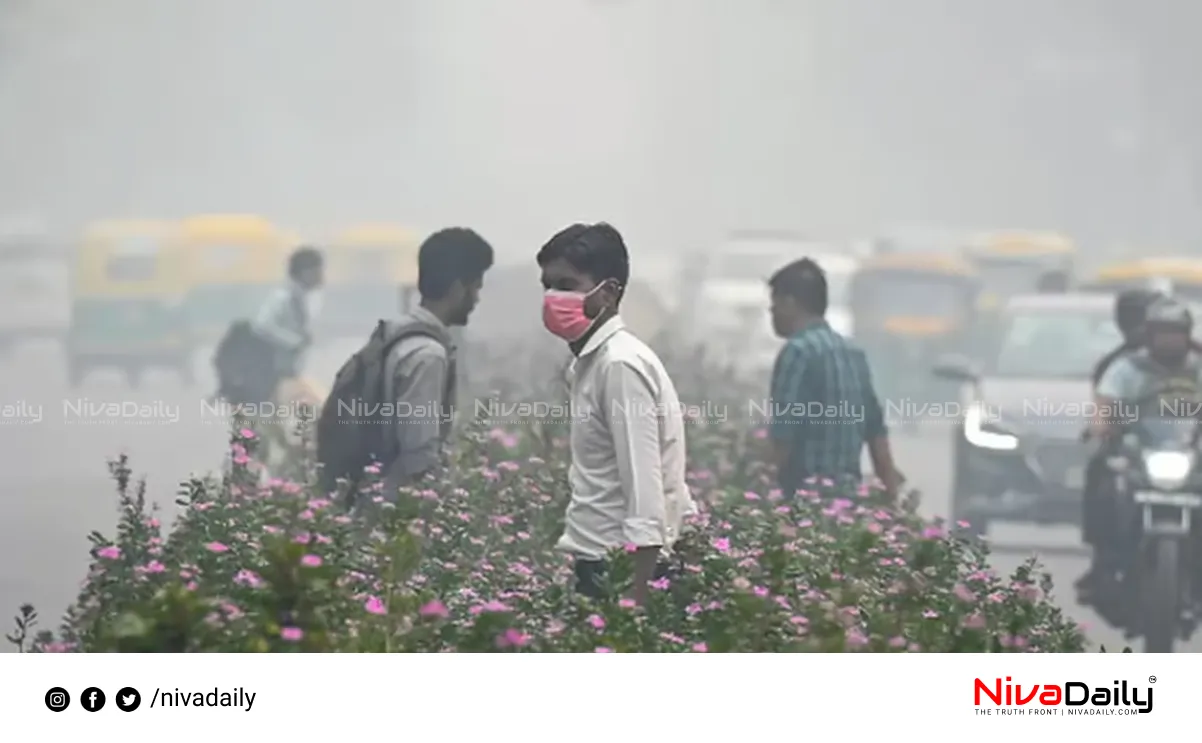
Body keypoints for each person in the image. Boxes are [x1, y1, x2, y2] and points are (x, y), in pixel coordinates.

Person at [538, 222, 695, 605]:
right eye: (548, 286)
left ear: (608, 293)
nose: (553, 298)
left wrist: (635, 605)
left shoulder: (620, 367)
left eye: (566, 285)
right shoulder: (593, 364)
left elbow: (645, 492)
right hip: (599, 562)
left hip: (617, 572)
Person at [315, 228, 494, 504]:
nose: (478, 298)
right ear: (459, 289)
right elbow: (419, 454)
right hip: (392, 510)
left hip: (363, 496)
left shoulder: (393, 336)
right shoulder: (428, 355)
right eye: (477, 287)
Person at [1081, 298, 1202, 599]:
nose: (1169, 339)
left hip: (1191, 451)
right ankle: (1105, 560)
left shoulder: (1198, 365)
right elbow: (1105, 401)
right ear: (1149, 334)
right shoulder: (1127, 367)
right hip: (1139, 450)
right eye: (1163, 332)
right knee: (1102, 479)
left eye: (1175, 332)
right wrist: (1101, 425)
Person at [768, 258, 902, 500]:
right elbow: (876, 433)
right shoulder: (853, 353)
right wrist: (892, 496)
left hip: (804, 499)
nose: (772, 313)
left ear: (789, 303)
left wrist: (763, 487)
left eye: (774, 305)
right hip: (845, 501)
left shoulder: (797, 351)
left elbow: (784, 433)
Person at [253, 246, 325, 384]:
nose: (321, 276)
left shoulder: (309, 298)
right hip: (275, 372)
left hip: (293, 370)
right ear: (305, 273)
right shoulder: (282, 297)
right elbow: (262, 325)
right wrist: (293, 342)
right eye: (317, 271)